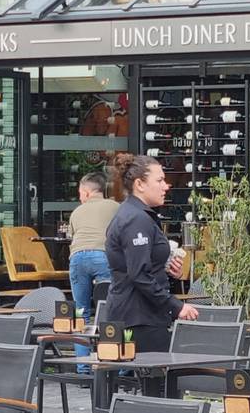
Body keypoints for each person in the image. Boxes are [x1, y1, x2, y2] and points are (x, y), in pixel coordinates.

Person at [105, 153, 198, 352]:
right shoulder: (136, 219)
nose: (166, 186)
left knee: (149, 380)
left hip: (136, 314)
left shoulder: (134, 214)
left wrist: (164, 267)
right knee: (157, 380)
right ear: (140, 184)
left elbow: (135, 265)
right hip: (140, 317)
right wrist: (176, 306)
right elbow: (139, 274)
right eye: (160, 180)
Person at [67, 171, 119, 358]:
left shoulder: (76, 212)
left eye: (80, 193)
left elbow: (72, 238)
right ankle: (114, 363)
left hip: (78, 258)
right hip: (103, 256)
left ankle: (82, 366)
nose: (80, 197)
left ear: (87, 193)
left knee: (81, 312)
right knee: (109, 309)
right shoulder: (115, 207)